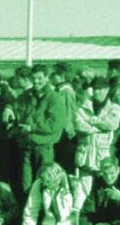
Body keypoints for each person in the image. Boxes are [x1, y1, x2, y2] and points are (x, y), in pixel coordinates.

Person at [16, 65, 78, 196]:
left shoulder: (55, 98)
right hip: (26, 146)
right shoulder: (26, 95)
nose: (36, 81)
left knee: (45, 181)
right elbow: (16, 105)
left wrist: (32, 128)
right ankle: (28, 207)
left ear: (46, 77)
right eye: (33, 78)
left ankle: (45, 208)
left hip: (44, 147)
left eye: (39, 78)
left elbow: (55, 124)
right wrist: (9, 109)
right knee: (25, 183)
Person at [74, 78, 120, 190]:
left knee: (105, 188)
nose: (97, 92)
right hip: (85, 157)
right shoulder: (83, 107)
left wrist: (90, 120)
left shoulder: (114, 108)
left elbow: (111, 125)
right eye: (95, 89)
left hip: (103, 156)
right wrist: (97, 128)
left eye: (101, 89)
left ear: (107, 90)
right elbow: (78, 125)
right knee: (83, 191)